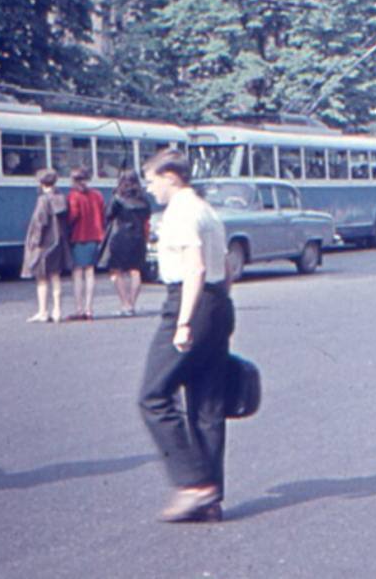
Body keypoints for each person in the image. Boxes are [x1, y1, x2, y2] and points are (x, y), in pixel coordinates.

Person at [139, 149, 233, 523]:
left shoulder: (178, 212)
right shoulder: (208, 210)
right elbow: (225, 269)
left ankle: (194, 485)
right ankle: (211, 499)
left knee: (153, 395)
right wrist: (215, 310)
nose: (150, 189)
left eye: (152, 180)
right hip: (218, 303)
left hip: (188, 302)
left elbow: (193, 268)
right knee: (207, 404)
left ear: (171, 177)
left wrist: (184, 321)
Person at [98, 170, 152, 317]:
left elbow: (108, 215)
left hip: (119, 236)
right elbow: (147, 215)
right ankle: (132, 304)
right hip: (138, 236)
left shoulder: (117, 198)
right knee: (135, 271)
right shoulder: (144, 199)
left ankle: (125, 304)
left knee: (117, 271)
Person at [21, 169, 71, 323]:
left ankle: (43, 311)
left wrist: (34, 242)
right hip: (57, 243)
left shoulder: (43, 200)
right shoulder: (62, 198)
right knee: (55, 276)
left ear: (42, 183)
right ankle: (58, 311)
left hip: (43, 244)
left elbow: (39, 222)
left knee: (41, 279)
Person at [67, 167, 106, 321]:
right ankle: (89, 309)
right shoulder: (97, 195)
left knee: (77, 273)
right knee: (90, 272)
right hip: (95, 236)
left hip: (78, 236)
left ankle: (79, 308)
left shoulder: (73, 196)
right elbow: (103, 214)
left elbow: (73, 216)